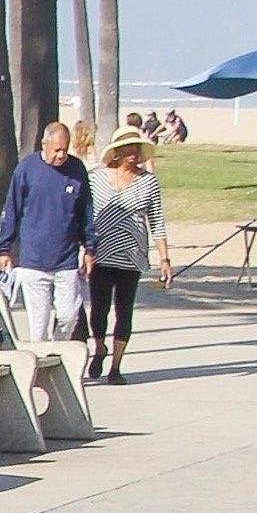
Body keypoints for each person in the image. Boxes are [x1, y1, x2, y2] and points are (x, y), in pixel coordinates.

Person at [83, 132, 171, 383]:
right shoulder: (96, 178)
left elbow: (157, 221)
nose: (133, 153)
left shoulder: (148, 182)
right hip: (100, 254)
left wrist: (164, 258)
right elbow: (84, 214)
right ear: (117, 151)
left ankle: (116, 367)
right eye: (128, 148)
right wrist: (83, 247)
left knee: (124, 311)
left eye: (137, 148)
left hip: (132, 256)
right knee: (98, 311)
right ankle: (100, 347)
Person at [0, 120, 95, 343]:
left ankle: (57, 349)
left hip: (66, 260)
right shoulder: (26, 169)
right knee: (38, 326)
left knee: (69, 316)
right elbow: (12, 210)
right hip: (34, 262)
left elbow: (86, 212)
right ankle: (41, 361)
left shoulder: (76, 170)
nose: (61, 155)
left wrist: (90, 248)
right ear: (44, 144)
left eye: (65, 150)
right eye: (56, 150)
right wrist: (4, 248)